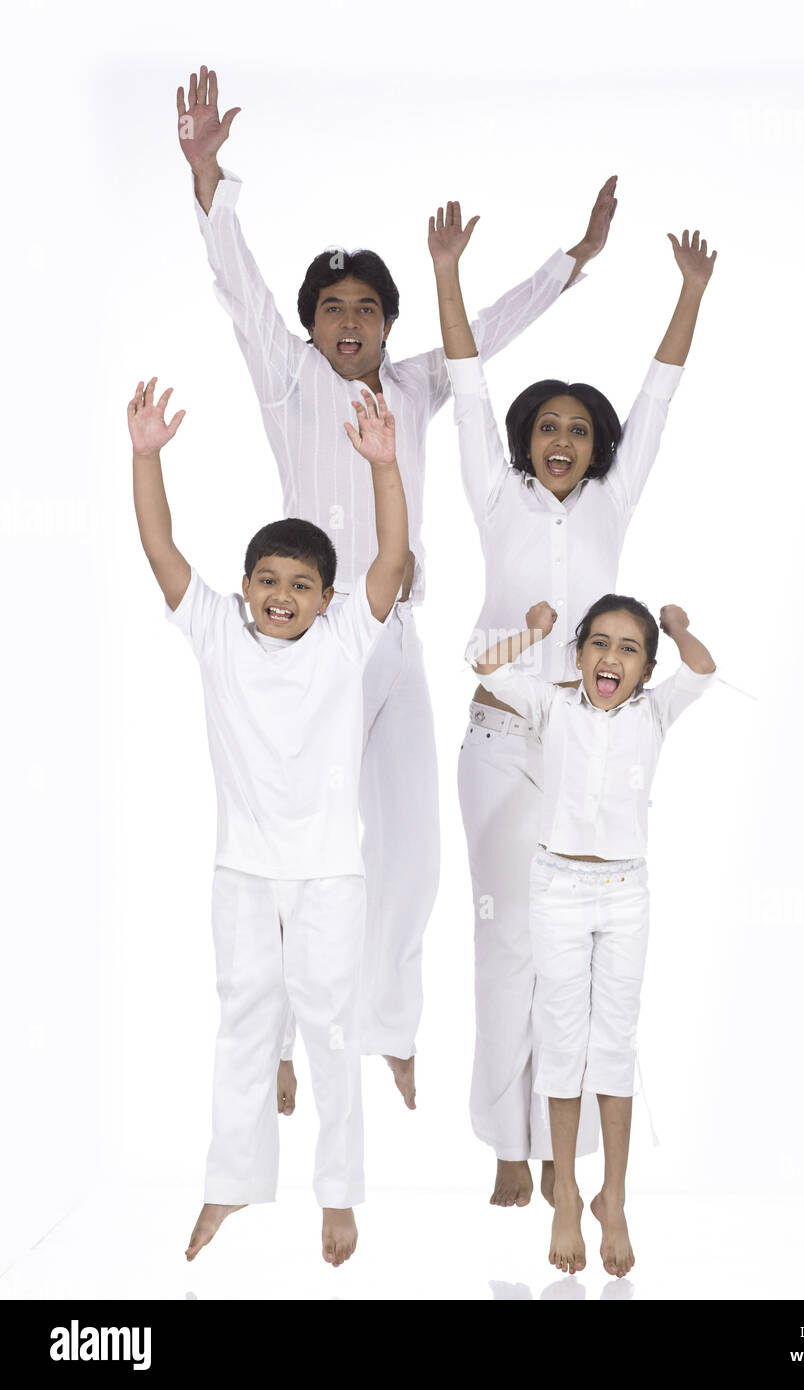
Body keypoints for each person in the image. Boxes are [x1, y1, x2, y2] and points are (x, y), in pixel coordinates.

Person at [176, 64, 618, 1112]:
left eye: (365, 308)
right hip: (309, 640)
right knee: (302, 844)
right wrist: (208, 176)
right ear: (313, 323)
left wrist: (577, 257)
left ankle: (386, 1023)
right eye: (330, 308)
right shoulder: (288, 379)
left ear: (386, 321)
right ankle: (278, 1032)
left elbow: (490, 333)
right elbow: (237, 282)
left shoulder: (415, 385)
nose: (347, 322)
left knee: (412, 849)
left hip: (395, 641)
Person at [430, 201, 716, 1206]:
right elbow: (465, 390)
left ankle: (566, 1158)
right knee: (505, 938)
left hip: (589, 751)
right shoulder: (498, 496)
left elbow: (661, 395)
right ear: (527, 440)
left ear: (597, 447)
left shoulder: (611, 500)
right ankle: (508, 1149)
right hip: (503, 744)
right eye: (547, 426)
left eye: (579, 429)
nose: (562, 438)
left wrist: (690, 293)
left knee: (576, 960)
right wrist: (447, 275)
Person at [128, 375, 408, 1266]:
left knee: (331, 1025)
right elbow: (160, 547)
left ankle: (337, 1194)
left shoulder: (342, 639)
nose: (281, 595)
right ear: (246, 585)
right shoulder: (215, 629)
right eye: (267, 580)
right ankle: (228, 1186)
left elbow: (392, 562)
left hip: (328, 872)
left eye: (301, 584)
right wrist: (145, 459)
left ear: (326, 597)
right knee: (243, 1018)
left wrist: (384, 468)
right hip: (244, 870)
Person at [473, 594, 717, 1276]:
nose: (611, 658)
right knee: (562, 1038)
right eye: (599, 645)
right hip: (556, 888)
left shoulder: (654, 713)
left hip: (624, 893)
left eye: (629, 649)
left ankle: (614, 1195)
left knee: (614, 1041)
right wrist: (532, 632)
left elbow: (702, 670)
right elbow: (480, 665)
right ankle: (566, 1196)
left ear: (644, 670)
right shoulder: (553, 706)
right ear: (579, 656)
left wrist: (675, 627)